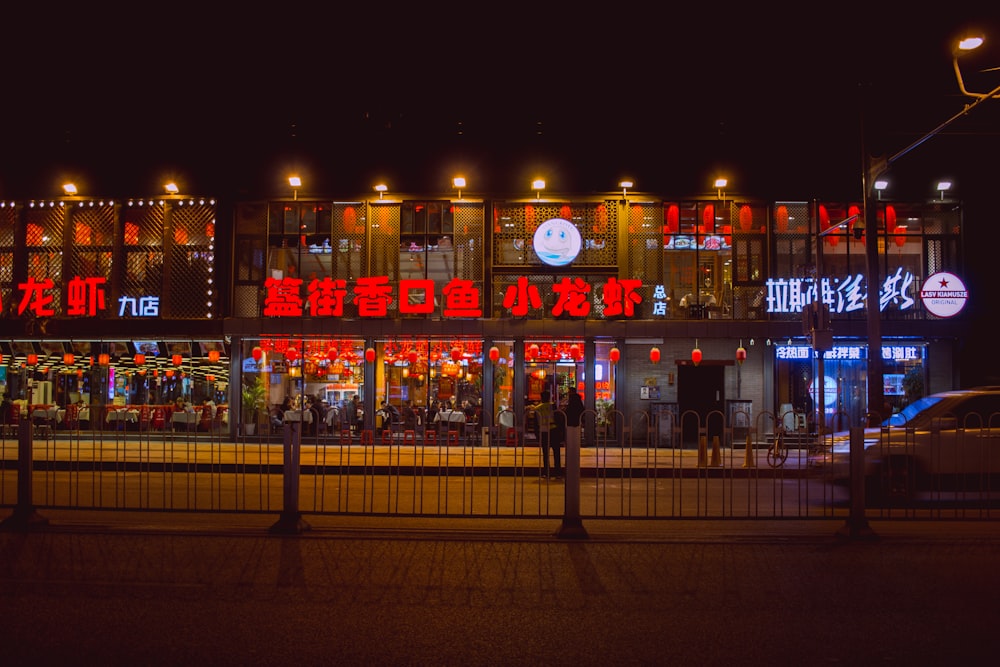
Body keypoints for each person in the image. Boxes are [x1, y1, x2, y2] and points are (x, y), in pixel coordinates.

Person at [533, 390, 560, 479]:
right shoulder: (552, 406)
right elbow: (558, 418)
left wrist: (537, 435)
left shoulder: (537, 408)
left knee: (545, 453)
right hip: (554, 430)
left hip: (543, 430)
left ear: (541, 398)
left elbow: (535, 424)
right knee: (556, 452)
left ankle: (546, 472)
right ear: (549, 397)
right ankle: (557, 472)